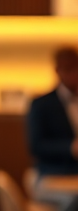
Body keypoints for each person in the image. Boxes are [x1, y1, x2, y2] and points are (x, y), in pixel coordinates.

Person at [28, 46, 78, 180]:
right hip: (53, 174)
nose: (74, 74)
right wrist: (71, 148)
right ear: (58, 71)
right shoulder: (41, 104)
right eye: (69, 69)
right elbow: (36, 146)